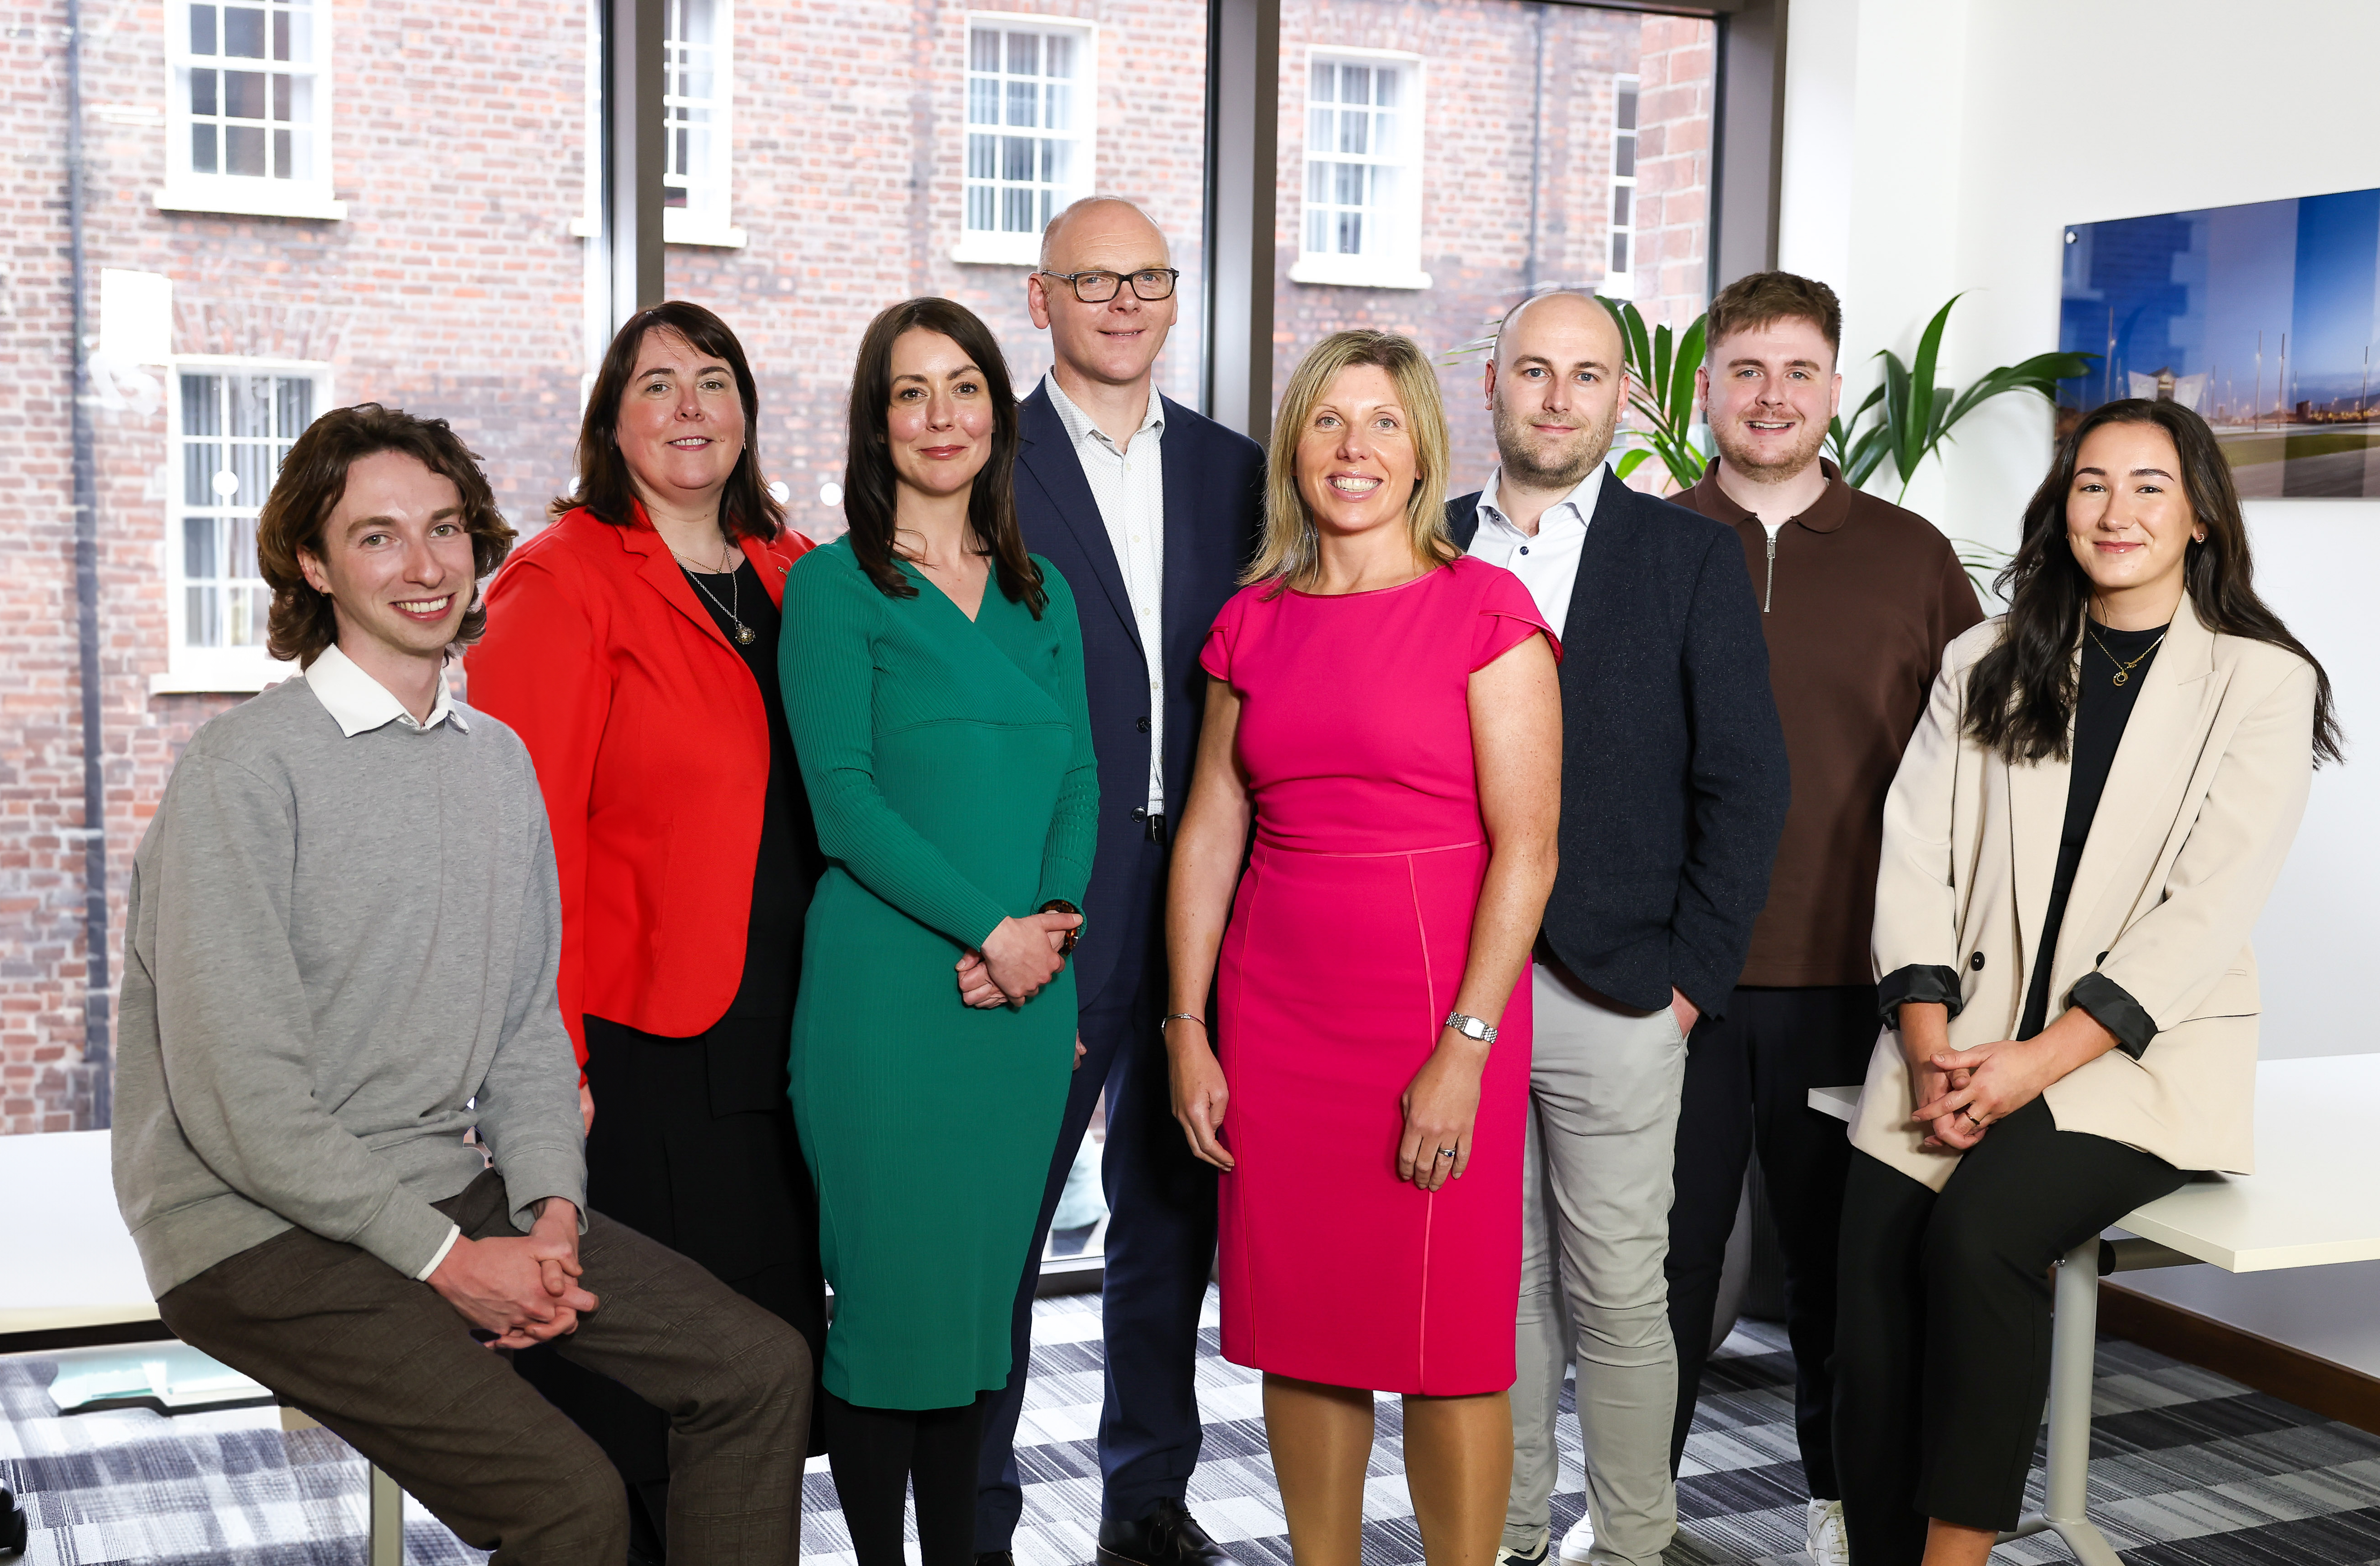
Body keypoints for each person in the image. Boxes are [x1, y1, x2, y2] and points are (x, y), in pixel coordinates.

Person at [112, 403, 813, 1566]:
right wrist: (454, 1266)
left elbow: (529, 1035)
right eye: (379, 536)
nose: (426, 566)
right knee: (567, 1502)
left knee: (757, 1368)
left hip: (440, 1186)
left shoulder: (497, 762)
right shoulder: (243, 772)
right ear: (313, 562)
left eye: (445, 528)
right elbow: (244, 1105)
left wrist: (548, 1211)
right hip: (247, 1226)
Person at [1835, 398, 2339, 1566]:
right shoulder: (1990, 655)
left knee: (1980, 1242)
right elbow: (1915, 852)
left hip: (2135, 1065)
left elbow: (2203, 915)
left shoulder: (2259, 683)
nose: (2117, 511)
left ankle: (1954, 1558)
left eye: (2150, 485)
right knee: (1869, 1280)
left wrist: (2024, 1070)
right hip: (1954, 1035)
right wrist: (1925, 1042)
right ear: (2062, 509)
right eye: (2092, 484)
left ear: (2203, 514)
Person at [1166, 329, 1562, 1566]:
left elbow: (1528, 849)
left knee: (1447, 1341)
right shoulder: (1251, 622)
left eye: (1382, 422)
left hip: (1437, 1005)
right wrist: (1186, 1025)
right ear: (1294, 445)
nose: (1353, 447)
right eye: (1328, 420)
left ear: (1420, 447)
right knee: (1305, 1324)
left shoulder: (1484, 608)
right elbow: (1209, 830)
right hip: (1277, 1009)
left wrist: (1467, 1045)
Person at [468, 301, 828, 1558]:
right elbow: (524, 842)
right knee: (651, 1394)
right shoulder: (562, 578)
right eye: (657, 383)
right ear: (609, 422)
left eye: (712, 380)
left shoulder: (800, 570)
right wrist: (544, 1061)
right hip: (643, 1051)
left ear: (746, 412)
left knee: (768, 1372)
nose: (689, 407)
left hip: (792, 1043)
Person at [1448, 291, 1791, 1566]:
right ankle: (1507, 1528)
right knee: (1499, 1289)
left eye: (1584, 375)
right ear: (1489, 384)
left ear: (1619, 397)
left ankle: (1633, 1541)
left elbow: (1746, 783)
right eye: (1532, 371)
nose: (1554, 397)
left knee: (1618, 1294)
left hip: (1622, 990)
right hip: (1459, 995)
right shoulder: (1425, 546)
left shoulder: (1686, 555)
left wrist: (1690, 978)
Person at [1662, 271, 1983, 1564]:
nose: (1770, 395)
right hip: (1673, 978)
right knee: (1656, 1273)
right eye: (1745, 369)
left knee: (1839, 1283)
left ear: (1832, 389)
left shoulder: (1909, 557)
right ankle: (1632, 1506)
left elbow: (1980, 768)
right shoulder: (1643, 542)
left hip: (1854, 984)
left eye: (1797, 370)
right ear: (1707, 389)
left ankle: (1836, 1506)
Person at [782, 295, 1097, 1566]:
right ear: (876, 421)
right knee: (890, 1317)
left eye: (961, 386)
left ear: (995, 410)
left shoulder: (1042, 592)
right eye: (909, 392)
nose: (938, 415)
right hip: (891, 1000)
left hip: (1021, 1004)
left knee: (981, 1314)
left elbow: (1079, 774)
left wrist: (1050, 930)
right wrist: (992, 928)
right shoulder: (833, 585)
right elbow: (843, 802)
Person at [977, 195, 1265, 1566]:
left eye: (1146, 277)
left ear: (1172, 292)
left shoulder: (1234, 472)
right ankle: (974, 1497)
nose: (1121, 302)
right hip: (1054, 892)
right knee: (1006, 1212)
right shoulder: (981, 459)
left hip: (1211, 892)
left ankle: (1148, 1490)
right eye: (1090, 281)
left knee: (1172, 1204)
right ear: (1040, 299)